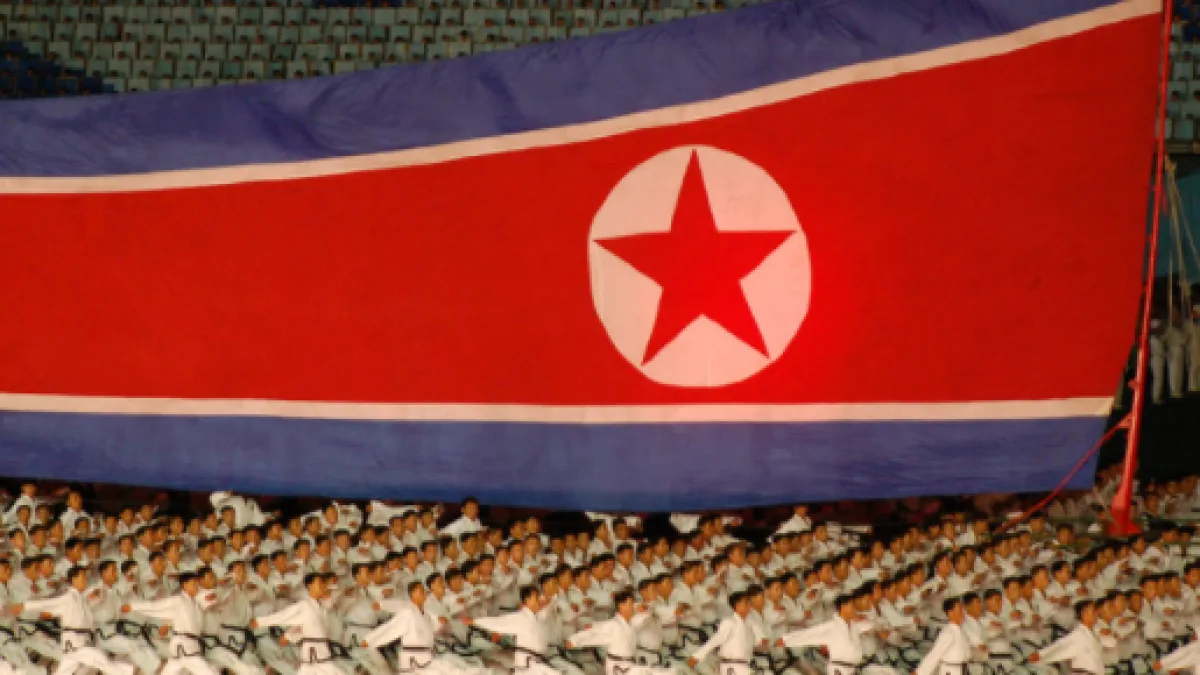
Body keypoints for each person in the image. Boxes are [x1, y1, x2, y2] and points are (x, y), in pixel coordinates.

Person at [10, 566, 135, 675]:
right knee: (99, 659)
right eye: (82, 577)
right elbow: (46, 603)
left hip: (80, 641)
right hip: (73, 643)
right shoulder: (68, 598)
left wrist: (92, 599)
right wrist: (24, 606)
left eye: (85, 577)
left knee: (65, 671)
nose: (85, 580)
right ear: (74, 579)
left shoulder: (81, 598)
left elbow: (86, 616)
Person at [362, 581, 489, 675]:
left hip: (426, 656)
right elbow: (391, 628)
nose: (424, 593)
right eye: (420, 591)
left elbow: (431, 629)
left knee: (451, 669)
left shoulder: (425, 613)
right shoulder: (408, 612)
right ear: (412, 594)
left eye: (424, 590)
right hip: (413, 661)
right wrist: (370, 639)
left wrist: (440, 622)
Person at [122, 571, 219, 675]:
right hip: (184, 646)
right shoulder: (178, 600)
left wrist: (167, 625)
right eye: (193, 584)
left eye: (197, 584)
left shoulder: (196, 603)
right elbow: (155, 606)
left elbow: (183, 615)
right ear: (185, 585)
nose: (196, 587)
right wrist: (133, 606)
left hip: (189, 645)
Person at [251, 574, 343, 675]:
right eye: (319, 583)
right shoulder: (304, 605)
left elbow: (305, 628)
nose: (322, 586)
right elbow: (284, 615)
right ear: (310, 586)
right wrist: (260, 621)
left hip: (322, 650)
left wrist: (289, 636)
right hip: (313, 652)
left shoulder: (321, 608)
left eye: (323, 584)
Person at [566, 589, 673, 675]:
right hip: (617, 666)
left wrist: (647, 606)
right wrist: (574, 640)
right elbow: (593, 632)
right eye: (630, 604)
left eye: (633, 604)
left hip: (629, 664)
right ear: (621, 606)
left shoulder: (631, 624)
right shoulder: (614, 624)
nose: (632, 607)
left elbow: (645, 616)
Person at [464, 585, 558, 675]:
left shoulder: (538, 616)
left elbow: (547, 608)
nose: (539, 600)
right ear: (528, 600)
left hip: (539, 661)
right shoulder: (521, 618)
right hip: (528, 665)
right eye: (536, 598)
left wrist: (550, 599)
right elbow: (498, 622)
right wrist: (475, 621)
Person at [688, 591, 764, 675]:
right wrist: (697, 656)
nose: (749, 606)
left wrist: (761, 641)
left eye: (749, 603)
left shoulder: (749, 625)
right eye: (746, 603)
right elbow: (716, 640)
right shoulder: (729, 622)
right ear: (737, 605)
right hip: (731, 665)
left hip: (744, 665)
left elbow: (756, 643)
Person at [1028, 601, 1104, 675]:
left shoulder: (1092, 634)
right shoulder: (1079, 633)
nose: (1096, 614)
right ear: (1083, 613)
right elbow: (1061, 644)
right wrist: (1041, 654)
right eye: (1093, 611)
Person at [914, 599, 970, 675]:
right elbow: (935, 654)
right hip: (950, 671)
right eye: (960, 609)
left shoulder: (961, 631)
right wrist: (919, 672)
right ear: (950, 613)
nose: (963, 613)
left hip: (962, 669)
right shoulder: (948, 632)